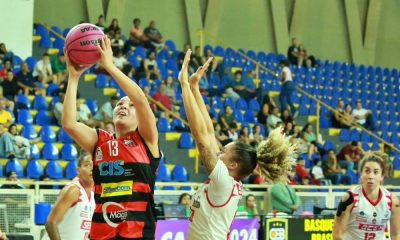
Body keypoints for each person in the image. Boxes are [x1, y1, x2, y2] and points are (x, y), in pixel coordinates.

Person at [179, 49, 296, 240]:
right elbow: (208, 132)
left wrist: (183, 85)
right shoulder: (227, 179)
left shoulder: (224, 182)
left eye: (224, 150)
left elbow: (201, 139)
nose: (219, 150)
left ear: (233, 164)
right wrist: (194, 87)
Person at [62, 36, 161, 239]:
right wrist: (73, 78)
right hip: (99, 234)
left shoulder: (147, 140)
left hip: (137, 233)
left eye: (129, 105)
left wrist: (110, 66)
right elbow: (69, 124)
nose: (124, 106)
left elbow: (141, 100)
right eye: (119, 104)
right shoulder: (100, 141)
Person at [332, 152, 400, 239]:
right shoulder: (349, 198)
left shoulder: (393, 201)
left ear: (382, 176)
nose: (371, 176)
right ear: (361, 174)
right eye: (367, 171)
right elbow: (337, 234)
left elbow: (396, 235)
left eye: (376, 172)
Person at [44, 153, 94, 240]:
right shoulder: (73, 190)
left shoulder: (94, 194)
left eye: (94, 165)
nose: (92, 168)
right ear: (78, 170)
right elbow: (50, 223)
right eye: (87, 165)